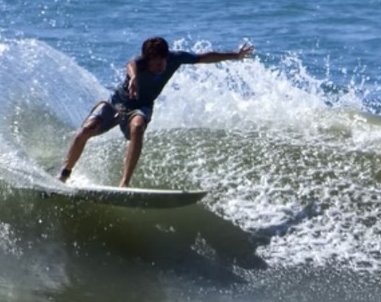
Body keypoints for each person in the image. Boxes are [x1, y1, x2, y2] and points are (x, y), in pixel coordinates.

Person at [58, 35, 253, 188]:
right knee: (85, 130)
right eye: (154, 64)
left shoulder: (175, 58)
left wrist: (234, 55)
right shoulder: (139, 63)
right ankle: (65, 173)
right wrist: (134, 78)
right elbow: (130, 65)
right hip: (116, 103)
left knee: (137, 127)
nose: (159, 67)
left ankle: (124, 183)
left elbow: (203, 57)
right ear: (147, 60)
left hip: (142, 106)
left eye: (161, 62)